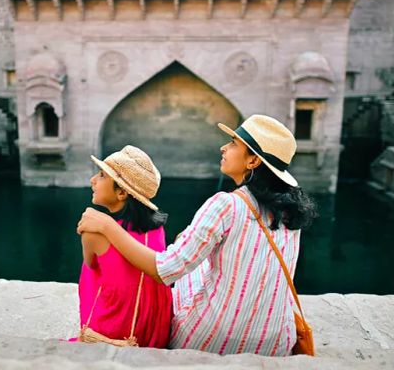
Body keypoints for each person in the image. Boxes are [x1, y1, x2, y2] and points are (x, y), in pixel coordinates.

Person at [77, 115, 318, 355]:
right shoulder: (290, 210)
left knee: (188, 272)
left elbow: (165, 270)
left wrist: (108, 226)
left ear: (253, 160)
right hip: (275, 341)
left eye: (233, 143)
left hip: (210, 339)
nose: (224, 147)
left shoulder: (226, 204)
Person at [75, 145, 172, 348]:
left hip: (118, 330)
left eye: (101, 176)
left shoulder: (94, 232)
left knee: (91, 269)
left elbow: (91, 266)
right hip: (153, 327)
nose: (92, 180)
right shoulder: (156, 228)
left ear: (121, 193)